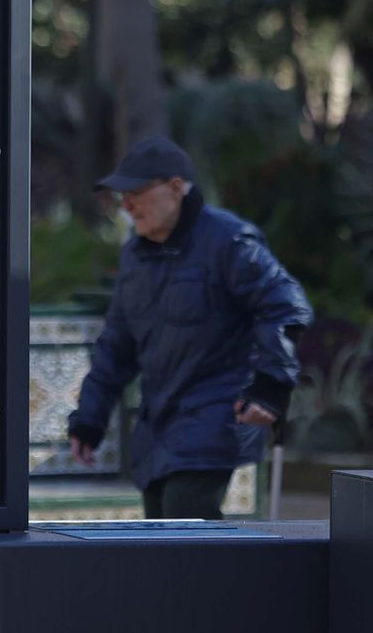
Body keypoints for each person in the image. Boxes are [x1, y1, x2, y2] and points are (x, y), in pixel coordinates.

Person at [66, 136, 312, 519]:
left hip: (214, 416)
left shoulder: (228, 240)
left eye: (136, 192)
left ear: (176, 187)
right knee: (161, 541)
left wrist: (271, 386)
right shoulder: (134, 255)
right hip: (156, 427)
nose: (126, 205)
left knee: (186, 526)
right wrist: (89, 419)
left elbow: (284, 305)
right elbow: (116, 344)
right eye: (122, 195)